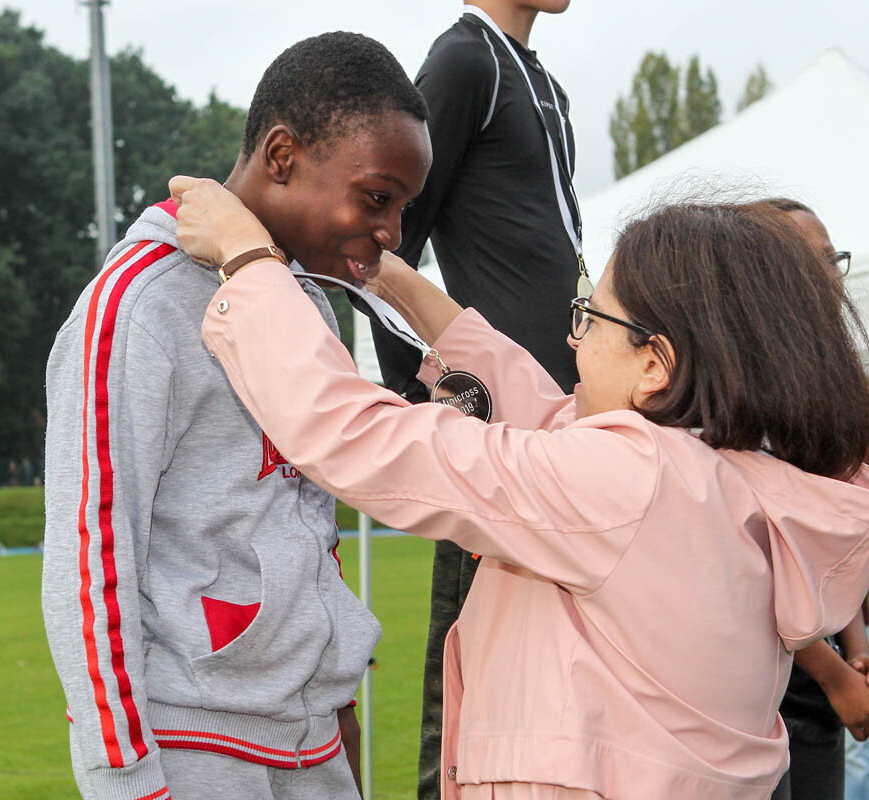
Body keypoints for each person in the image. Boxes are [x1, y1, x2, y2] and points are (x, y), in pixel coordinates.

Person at [172, 177, 869, 799]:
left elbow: (363, 438)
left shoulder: (629, 481)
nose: (571, 337)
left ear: (655, 364)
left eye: (591, 317)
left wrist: (249, 262)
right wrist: (390, 277)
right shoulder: (726, 473)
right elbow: (540, 413)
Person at [41, 33, 431, 800]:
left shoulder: (304, 303)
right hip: (194, 746)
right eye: (376, 198)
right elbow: (89, 564)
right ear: (281, 156)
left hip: (313, 744)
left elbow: (306, 518)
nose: (390, 232)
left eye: (402, 209)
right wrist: (126, 780)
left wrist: (339, 712)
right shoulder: (136, 309)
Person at [370, 4, 580, 793]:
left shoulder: (542, 80)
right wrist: (426, 393)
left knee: (543, 677)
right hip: (499, 430)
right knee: (464, 683)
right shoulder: (465, 61)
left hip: (565, 421)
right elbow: (391, 234)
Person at [768, 198, 869, 800]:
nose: (830, 279)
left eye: (833, 260)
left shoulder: (818, 377)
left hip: (813, 686)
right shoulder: (733, 385)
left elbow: (829, 544)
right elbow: (759, 558)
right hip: (757, 690)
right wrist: (834, 676)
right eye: (811, 262)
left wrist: (858, 656)